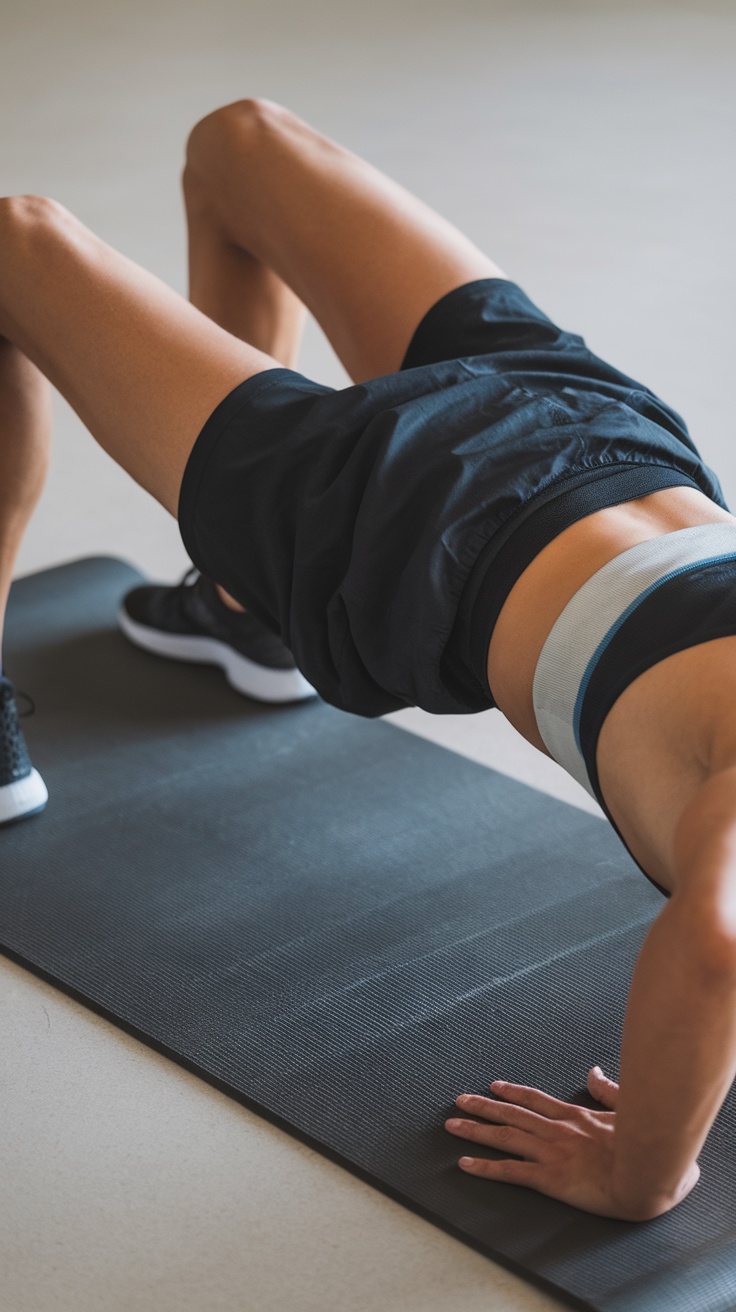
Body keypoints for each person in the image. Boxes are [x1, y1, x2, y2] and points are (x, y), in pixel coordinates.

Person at [1, 98, 736, 1225]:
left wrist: (639, 1171)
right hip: (593, 432)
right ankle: (250, 607)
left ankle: (250, 597)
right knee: (241, 144)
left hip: (408, 522)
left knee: (19, 244)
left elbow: (719, 942)